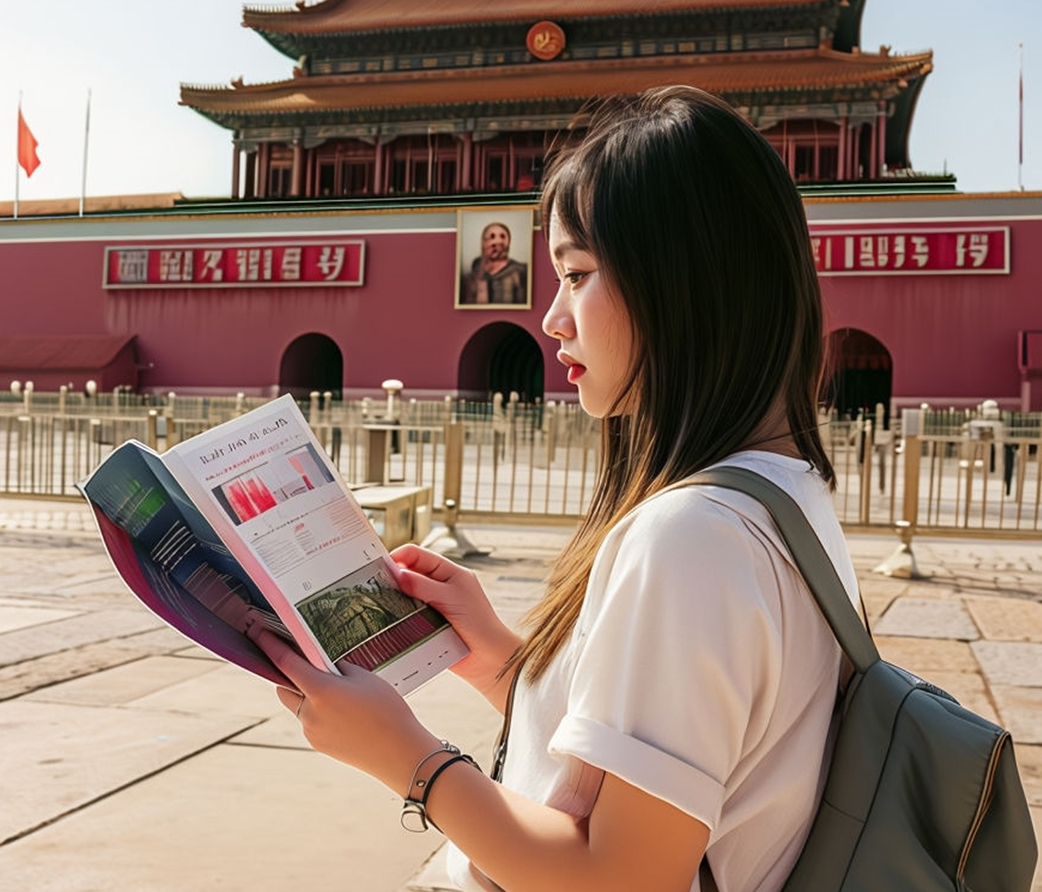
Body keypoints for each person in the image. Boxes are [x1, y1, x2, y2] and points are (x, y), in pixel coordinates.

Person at [250, 85, 861, 892]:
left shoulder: (692, 538)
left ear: (683, 280)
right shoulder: (784, 494)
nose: (551, 319)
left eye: (576, 274)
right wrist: (493, 654)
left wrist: (406, 755)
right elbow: (661, 758)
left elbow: (620, 878)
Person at [462, 221, 529, 305]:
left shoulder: (520, 272)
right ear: (483, 242)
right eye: (492, 237)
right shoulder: (472, 276)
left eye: (502, 236)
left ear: (509, 241)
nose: (497, 241)